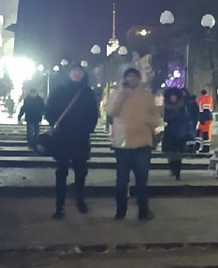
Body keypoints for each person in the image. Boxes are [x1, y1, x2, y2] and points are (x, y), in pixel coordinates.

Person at [44, 65, 99, 219]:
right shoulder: (59, 90)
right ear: (68, 73)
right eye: (73, 71)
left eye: (79, 71)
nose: (76, 73)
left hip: (80, 137)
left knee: (81, 171)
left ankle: (80, 198)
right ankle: (59, 205)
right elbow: (48, 110)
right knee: (61, 172)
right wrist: (56, 123)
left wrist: (88, 128)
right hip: (63, 137)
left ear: (83, 74)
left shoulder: (87, 92)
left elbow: (93, 113)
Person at [108, 67, 159, 221]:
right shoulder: (117, 93)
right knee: (122, 180)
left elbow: (155, 115)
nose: (131, 79)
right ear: (124, 78)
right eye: (128, 76)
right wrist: (122, 94)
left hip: (143, 142)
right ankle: (120, 211)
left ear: (139, 78)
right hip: (123, 142)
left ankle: (143, 211)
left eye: (134, 76)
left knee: (142, 179)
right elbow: (111, 111)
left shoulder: (146, 94)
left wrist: (147, 121)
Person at [160, 86, 195, 181]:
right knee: (171, 153)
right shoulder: (167, 107)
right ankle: (172, 168)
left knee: (178, 153)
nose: (173, 98)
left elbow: (185, 117)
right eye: (171, 96)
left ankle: (177, 172)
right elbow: (166, 118)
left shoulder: (182, 106)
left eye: (174, 96)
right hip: (170, 132)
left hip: (180, 132)